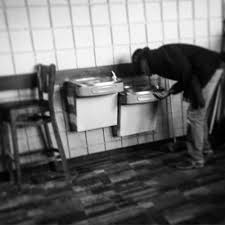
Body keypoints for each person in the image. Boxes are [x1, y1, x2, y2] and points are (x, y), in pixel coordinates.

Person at [132, 43, 225, 169]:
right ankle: (205, 150)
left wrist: (197, 97)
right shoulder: (158, 59)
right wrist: (170, 91)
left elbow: (187, 73)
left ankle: (196, 159)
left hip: (208, 69)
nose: (144, 73)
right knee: (198, 115)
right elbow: (185, 75)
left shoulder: (160, 57)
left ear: (143, 61)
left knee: (195, 115)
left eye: (141, 69)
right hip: (212, 67)